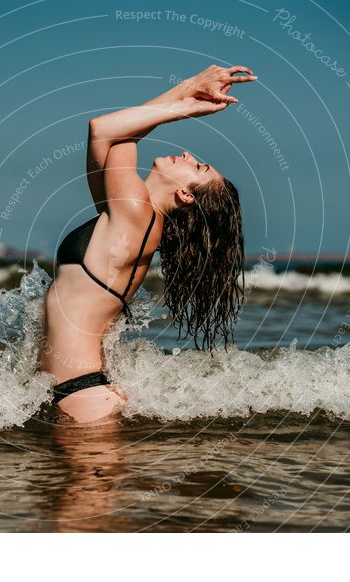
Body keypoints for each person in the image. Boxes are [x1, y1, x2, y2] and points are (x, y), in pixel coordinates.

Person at [39, 64, 256, 424]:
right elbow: (106, 139)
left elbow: (107, 128)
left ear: (186, 195)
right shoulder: (126, 217)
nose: (187, 154)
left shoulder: (137, 216)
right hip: (77, 393)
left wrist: (189, 99)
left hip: (83, 396)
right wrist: (188, 91)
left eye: (198, 166)